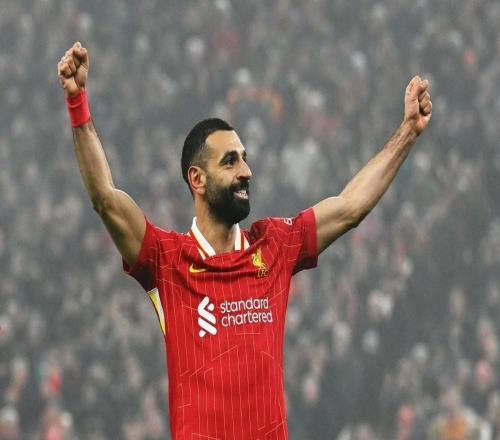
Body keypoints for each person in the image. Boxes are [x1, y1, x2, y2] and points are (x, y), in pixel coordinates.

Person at [57, 41, 432, 439]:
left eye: (245, 158)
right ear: (197, 180)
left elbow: (349, 207)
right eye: (230, 161)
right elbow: (106, 198)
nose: (246, 171)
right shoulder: (166, 260)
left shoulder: (274, 246)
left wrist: (407, 132)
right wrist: (78, 103)